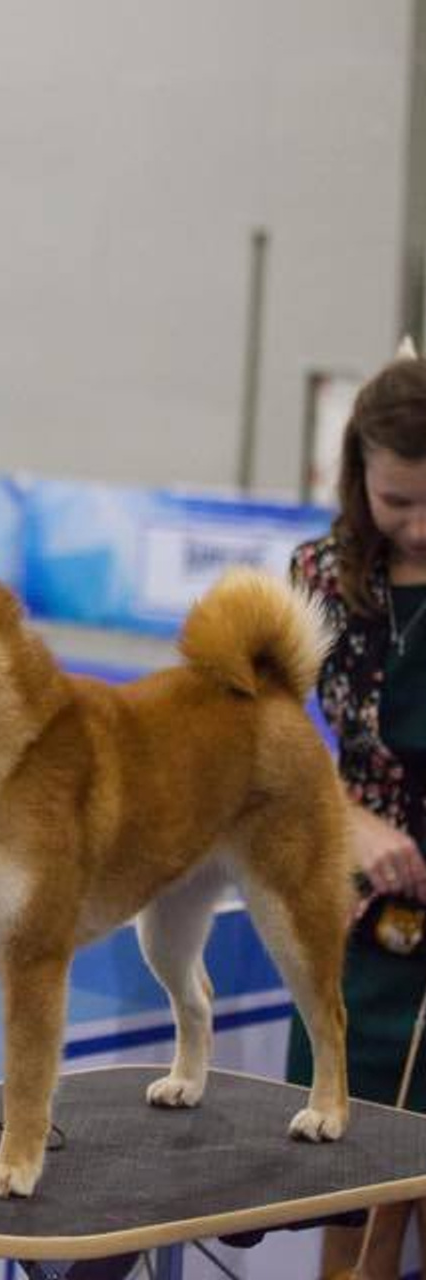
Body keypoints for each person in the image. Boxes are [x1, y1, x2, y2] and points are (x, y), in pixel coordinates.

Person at [286, 340, 426, 1279]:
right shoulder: (318, 575)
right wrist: (352, 821)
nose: (419, 526)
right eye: (398, 501)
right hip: (357, 911)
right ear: (357, 478)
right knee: (348, 1169)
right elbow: (272, 742)